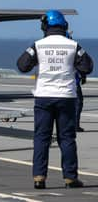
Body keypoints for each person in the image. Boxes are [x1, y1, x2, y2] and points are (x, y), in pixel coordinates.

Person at [16, 10, 93, 189]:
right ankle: (70, 178)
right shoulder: (73, 45)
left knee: (41, 138)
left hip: (43, 97)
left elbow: (22, 65)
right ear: (64, 25)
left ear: (45, 26)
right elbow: (88, 66)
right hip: (66, 97)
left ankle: (39, 177)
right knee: (66, 138)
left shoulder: (38, 45)